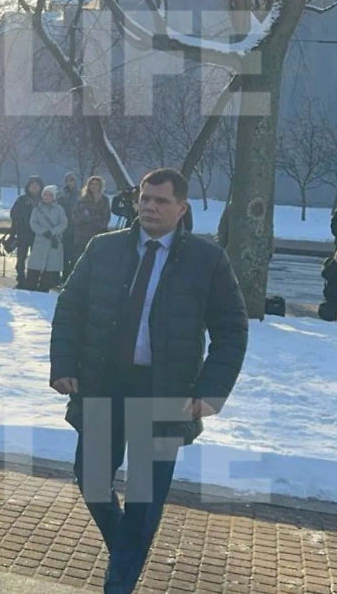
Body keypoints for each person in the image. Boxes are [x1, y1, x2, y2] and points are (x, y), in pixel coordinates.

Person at [50, 168, 248, 594]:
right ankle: (127, 547)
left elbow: (232, 330)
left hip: (164, 394)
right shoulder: (103, 249)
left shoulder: (206, 261)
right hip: (104, 384)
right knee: (92, 482)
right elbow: (70, 308)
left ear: (181, 208)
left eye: (161, 201)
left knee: (143, 498)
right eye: (145, 198)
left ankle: (118, 582)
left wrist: (211, 391)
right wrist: (64, 363)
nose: (150, 207)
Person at [28, 185, 69, 292]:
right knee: (35, 266)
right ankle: (31, 285)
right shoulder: (37, 209)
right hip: (40, 241)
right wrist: (42, 231)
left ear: (54, 197)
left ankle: (45, 287)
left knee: (50, 267)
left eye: (50, 195)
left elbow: (63, 224)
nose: (47, 197)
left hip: (53, 241)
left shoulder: (60, 210)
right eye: (45, 194)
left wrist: (52, 232)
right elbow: (33, 223)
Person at [9, 176, 44, 289]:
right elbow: (13, 214)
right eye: (32, 185)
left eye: (36, 185)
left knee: (36, 259)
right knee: (20, 258)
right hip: (23, 233)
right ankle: (20, 279)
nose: (34, 187)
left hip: (37, 234)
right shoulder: (21, 200)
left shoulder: (44, 200)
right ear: (28, 187)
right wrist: (23, 219)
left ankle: (32, 280)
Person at [74, 176, 111, 249]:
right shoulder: (82, 200)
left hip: (99, 233)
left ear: (100, 186)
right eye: (91, 184)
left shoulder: (104, 200)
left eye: (96, 184)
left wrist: (99, 223)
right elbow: (75, 215)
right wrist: (83, 219)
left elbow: (106, 216)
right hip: (83, 235)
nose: (93, 186)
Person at [59, 173, 81, 279]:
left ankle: (70, 276)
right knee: (63, 254)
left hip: (75, 228)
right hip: (63, 228)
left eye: (72, 180)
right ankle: (64, 274)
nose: (70, 182)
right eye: (68, 180)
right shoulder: (61, 194)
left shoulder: (80, 194)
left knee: (74, 254)